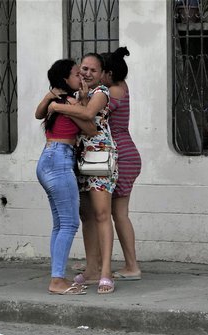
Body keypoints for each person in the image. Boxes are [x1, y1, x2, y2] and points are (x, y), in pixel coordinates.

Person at [49, 53, 118, 294]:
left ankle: (106, 271)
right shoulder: (77, 95)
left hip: (99, 157)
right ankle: (91, 269)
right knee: (86, 216)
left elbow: (88, 115)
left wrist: (58, 106)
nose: (87, 74)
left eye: (92, 70)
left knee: (101, 214)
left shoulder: (101, 93)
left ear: (101, 74)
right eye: (83, 69)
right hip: (78, 158)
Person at [34, 59, 98, 295]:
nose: (80, 76)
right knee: (70, 223)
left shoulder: (59, 101)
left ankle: (57, 274)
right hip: (59, 160)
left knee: (60, 224)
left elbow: (40, 113)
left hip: (49, 159)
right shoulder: (67, 101)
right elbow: (91, 128)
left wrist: (56, 100)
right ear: (64, 79)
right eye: (75, 74)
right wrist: (79, 102)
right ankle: (57, 280)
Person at [101, 47, 142, 281]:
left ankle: (132, 266)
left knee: (118, 214)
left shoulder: (114, 91)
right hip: (126, 153)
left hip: (121, 156)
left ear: (108, 73)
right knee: (118, 213)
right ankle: (128, 265)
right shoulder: (120, 87)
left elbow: (93, 113)